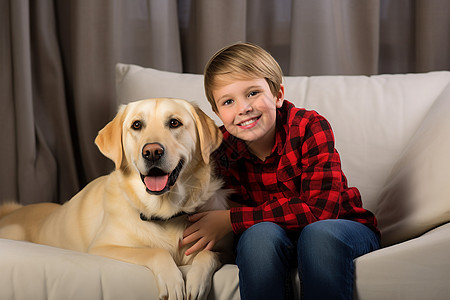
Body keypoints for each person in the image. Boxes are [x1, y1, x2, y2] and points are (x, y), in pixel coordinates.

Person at [180, 42, 380, 300]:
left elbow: (321, 212)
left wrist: (231, 219)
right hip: (272, 238)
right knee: (258, 237)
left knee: (317, 235)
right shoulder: (219, 148)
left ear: (277, 94)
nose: (243, 108)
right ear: (218, 112)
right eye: (228, 101)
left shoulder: (309, 126)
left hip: (339, 228)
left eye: (252, 93)